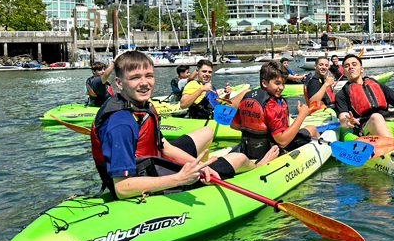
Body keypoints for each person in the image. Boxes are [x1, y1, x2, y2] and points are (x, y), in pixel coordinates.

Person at [90, 51, 276, 200]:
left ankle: (205, 169)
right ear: (119, 82)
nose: (144, 83)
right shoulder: (121, 123)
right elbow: (121, 188)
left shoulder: (142, 105)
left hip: (151, 159)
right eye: (135, 77)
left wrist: (200, 167)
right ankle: (258, 167)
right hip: (144, 177)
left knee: (206, 131)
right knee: (240, 158)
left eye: (149, 76)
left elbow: (165, 146)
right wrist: (179, 178)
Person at [231, 60, 320, 160]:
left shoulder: (247, 97)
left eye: (283, 83)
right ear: (264, 83)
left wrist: (258, 130)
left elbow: (234, 125)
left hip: (249, 150)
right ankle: (318, 153)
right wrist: (302, 115)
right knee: (312, 128)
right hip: (272, 152)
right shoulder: (273, 104)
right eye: (277, 83)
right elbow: (282, 142)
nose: (281, 88)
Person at [335, 54, 394, 149]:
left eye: (354, 64)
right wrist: (347, 121)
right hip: (369, 127)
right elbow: (342, 119)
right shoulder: (341, 95)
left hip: (392, 122)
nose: (350, 67)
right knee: (376, 117)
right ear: (344, 72)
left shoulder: (375, 84)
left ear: (361, 68)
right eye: (346, 66)